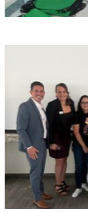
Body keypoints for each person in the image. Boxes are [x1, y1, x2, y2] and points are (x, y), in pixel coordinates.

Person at [16, 81, 52, 209]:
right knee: (36, 172)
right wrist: (29, 147)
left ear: (44, 93)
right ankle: (37, 199)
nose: (39, 93)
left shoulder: (40, 107)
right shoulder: (25, 106)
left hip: (41, 143)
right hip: (33, 146)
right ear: (31, 92)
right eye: (36, 91)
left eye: (41, 91)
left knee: (40, 170)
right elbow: (21, 129)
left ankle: (41, 192)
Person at [46, 83, 75, 196]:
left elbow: (73, 119)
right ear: (56, 93)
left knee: (64, 160)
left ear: (67, 92)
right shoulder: (52, 105)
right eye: (59, 91)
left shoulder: (71, 103)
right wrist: (51, 142)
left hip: (67, 137)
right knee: (59, 161)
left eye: (64, 91)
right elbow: (48, 125)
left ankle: (62, 181)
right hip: (56, 137)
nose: (62, 94)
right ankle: (58, 184)